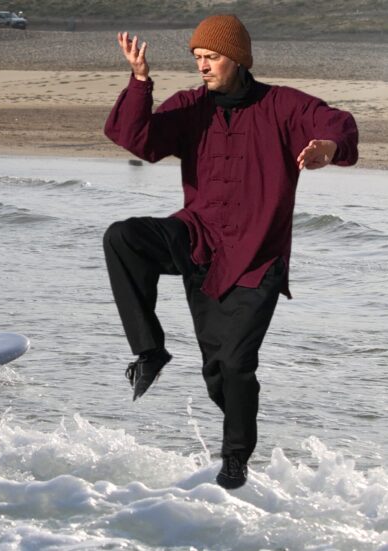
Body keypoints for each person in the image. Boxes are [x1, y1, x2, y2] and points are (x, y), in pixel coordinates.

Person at [101, 15, 358, 489]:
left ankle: (235, 460)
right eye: (197, 58)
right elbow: (137, 139)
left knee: (227, 369)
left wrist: (327, 146)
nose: (203, 66)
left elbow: (337, 122)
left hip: (256, 256)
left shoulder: (282, 105)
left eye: (212, 57)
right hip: (197, 239)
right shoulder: (191, 107)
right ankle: (150, 350)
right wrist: (140, 82)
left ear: (237, 58)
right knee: (122, 237)